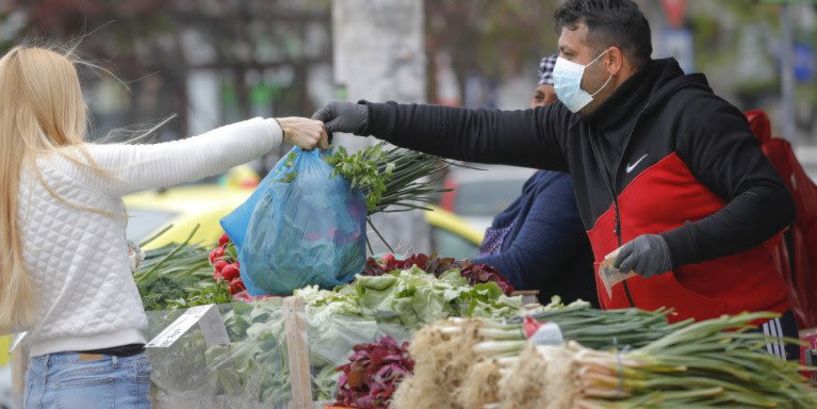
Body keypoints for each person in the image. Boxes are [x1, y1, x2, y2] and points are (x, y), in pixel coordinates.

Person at [314, 0, 799, 359]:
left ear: (610, 62)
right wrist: (368, 116)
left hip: (741, 337)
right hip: (651, 341)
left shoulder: (692, 116)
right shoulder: (576, 126)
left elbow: (770, 201)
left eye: (569, 55)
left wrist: (672, 247)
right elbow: (476, 130)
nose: (560, 67)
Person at [0, 45, 328, 409]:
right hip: (96, 377)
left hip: (48, 377)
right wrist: (278, 127)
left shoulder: (10, 181)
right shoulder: (77, 168)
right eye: (75, 95)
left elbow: (46, 286)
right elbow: (190, 156)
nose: (85, 106)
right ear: (53, 102)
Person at [472, 54, 597, 306]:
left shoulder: (568, 178)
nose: (542, 109)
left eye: (556, 102)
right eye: (539, 97)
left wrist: (431, 270)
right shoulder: (544, 174)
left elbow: (522, 268)